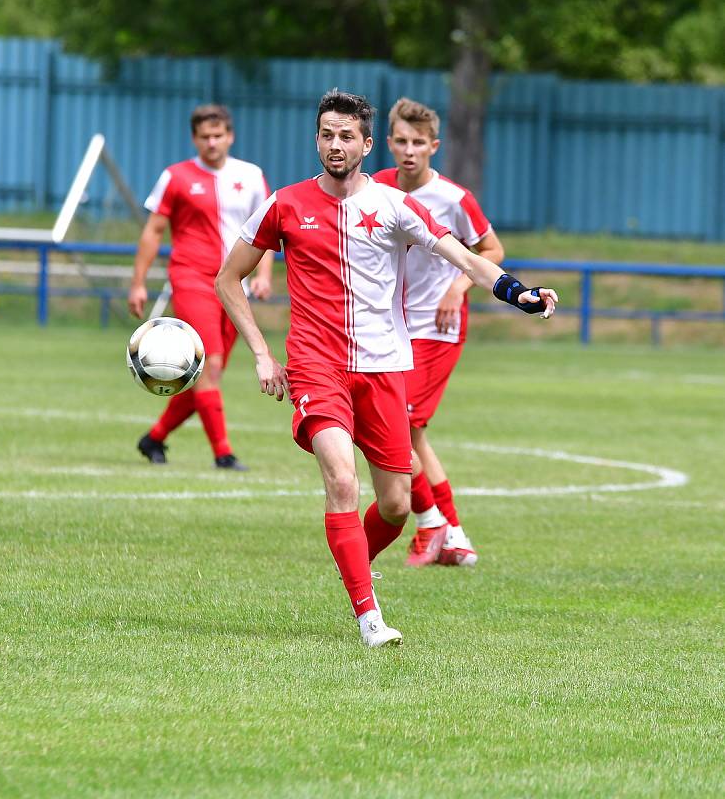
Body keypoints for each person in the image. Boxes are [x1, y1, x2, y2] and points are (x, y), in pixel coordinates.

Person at [216, 89, 557, 648]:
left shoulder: (395, 207)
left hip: (383, 367)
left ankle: (351, 558)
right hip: (316, 364)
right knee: (342, 480)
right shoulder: (285, 204)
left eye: (346, 135)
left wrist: (517, 294)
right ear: (317, 139)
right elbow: (228, 279)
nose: (335, 144)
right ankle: (368, 616)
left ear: (366, 144)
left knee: (397, 503)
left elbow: (468, 258)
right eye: (326, 134)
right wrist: (260, 353)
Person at [374, 97, 505, 568]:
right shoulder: (376, 188)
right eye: (401, 142)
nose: (409, 151)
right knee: (411, 435)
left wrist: (459, 286)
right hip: (390, 328)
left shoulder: (453, 198)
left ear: (434, 146)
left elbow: (492, 248)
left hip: (437, 327)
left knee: (396, 429)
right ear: (388, 144)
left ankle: (432, 526)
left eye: (418, 143)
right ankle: (454, 536)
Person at [128, 104, 274, 471]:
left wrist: (264, 274)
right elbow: (153, 231)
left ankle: (155, 438)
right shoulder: (175, 177)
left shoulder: (252, 176)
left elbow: (267, 231)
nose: (212, 142)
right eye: (204, 136)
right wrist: (138, 283)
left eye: (218, 135)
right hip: (192, 277)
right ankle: (224, 454)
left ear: (230, 136)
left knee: (207, 374)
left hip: (234, 285)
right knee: (210, 363)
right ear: (194, 139)